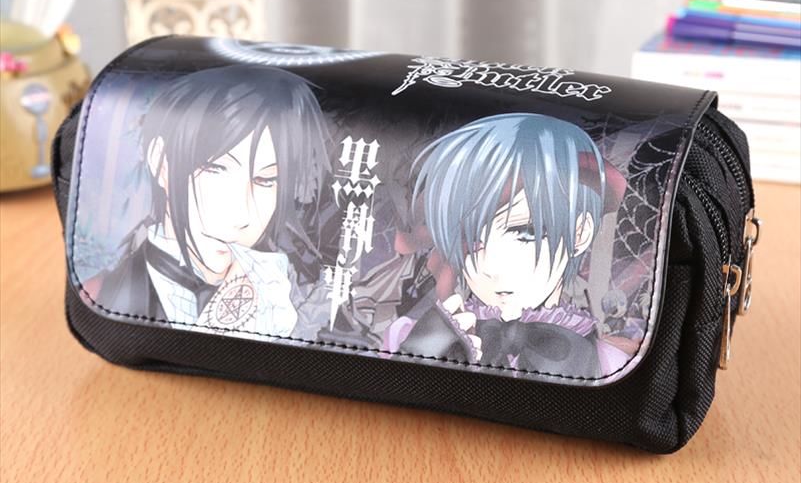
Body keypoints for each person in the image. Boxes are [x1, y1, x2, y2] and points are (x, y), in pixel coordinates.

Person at [84, 63, 331, 341]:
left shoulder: (284, 289)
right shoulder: (100, 294)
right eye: (215, 169)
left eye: (265, 180)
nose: (242, 215)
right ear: (161, 162)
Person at [387, 112, 628, 378]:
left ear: (580, 233)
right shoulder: (412, 338)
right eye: (471, 239)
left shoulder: (611, 364)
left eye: (524, 233)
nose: (489, 266)